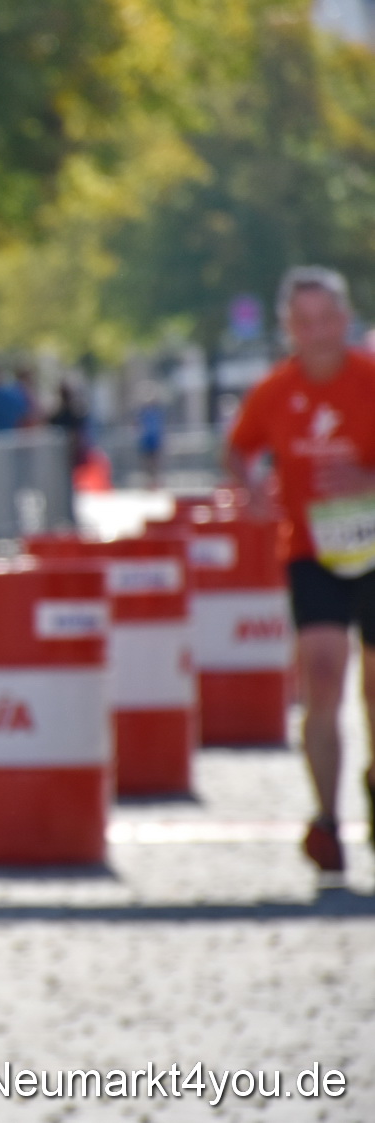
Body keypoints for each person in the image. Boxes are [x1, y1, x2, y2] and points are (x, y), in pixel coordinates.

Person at [224, 265, 375, 877]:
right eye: (303, 322)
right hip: (311, 551)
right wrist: (251, 487)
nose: (316, 333)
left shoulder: (368, 379)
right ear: (289, 327)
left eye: (326, 319)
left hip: (374, 548)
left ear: (345, 320)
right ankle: (327, 819)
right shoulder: (274, 390)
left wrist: (366, 478)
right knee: (323, 678)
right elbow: (238, 447)